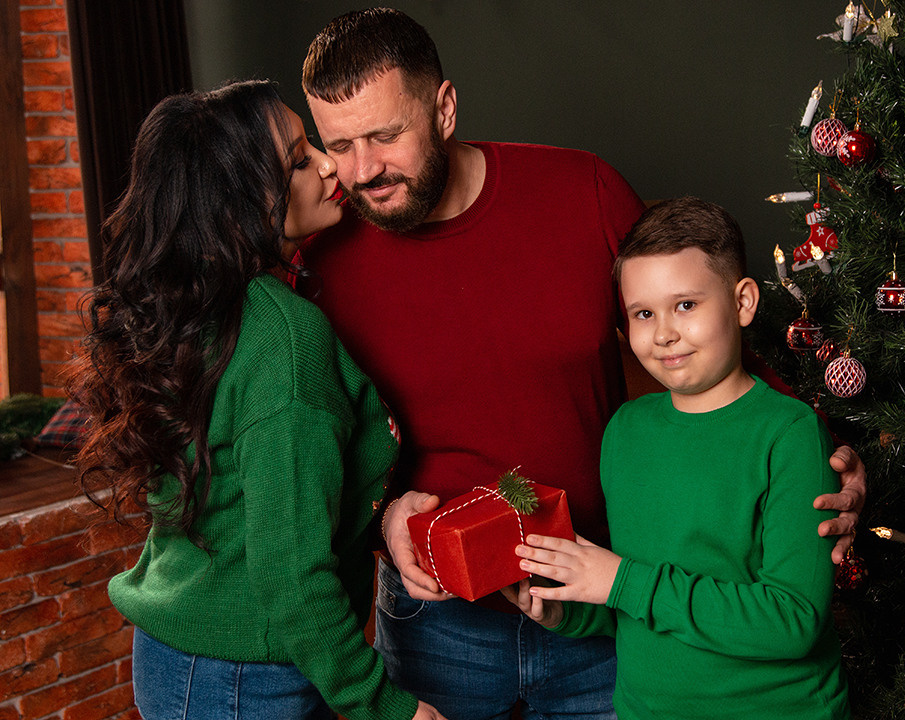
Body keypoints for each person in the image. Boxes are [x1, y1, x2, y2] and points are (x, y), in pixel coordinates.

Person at [298, 8, 864, 719]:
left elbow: (703, 325)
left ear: (443, 108)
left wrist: (827, 451)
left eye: (385, 136)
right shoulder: (320, 262)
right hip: (440, 625)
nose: (363, 171)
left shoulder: (581, 191)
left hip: (606, 598)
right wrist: (381, 520)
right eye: (338, 145)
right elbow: (311, 453)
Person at [69, 80, 446, 720]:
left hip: (177, 657)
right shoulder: (284, 336)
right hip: (245, 679)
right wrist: (386, 707)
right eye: (300, 161)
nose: (331, 165)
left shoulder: (206, 307)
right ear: (242, 199)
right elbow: (289, 578)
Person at [504, 197, 851, 719]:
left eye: (685, 305)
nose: (663, 332)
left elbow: (794, 621)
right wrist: (565, 611)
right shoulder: (625, 431)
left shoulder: (790, 434)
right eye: (643, 313)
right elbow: (637, 602)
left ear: (743, 302)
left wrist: (620, 581)